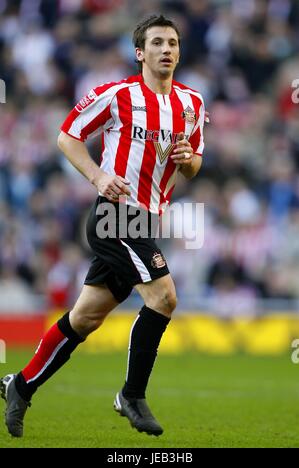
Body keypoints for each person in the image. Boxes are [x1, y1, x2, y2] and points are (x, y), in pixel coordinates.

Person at [0, 14, 205, 438]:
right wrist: (97, 176)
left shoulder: (193, 103)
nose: (167, 50)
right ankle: (131, 394)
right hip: (115, 214)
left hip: (149, 219)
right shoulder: (115, 95)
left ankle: (20, 385)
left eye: (173, 43)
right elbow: (67, 136)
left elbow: (194, 166)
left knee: (85, 318)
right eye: (157, 43)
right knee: (164, 298)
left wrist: (188, 160)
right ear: (139, 53)